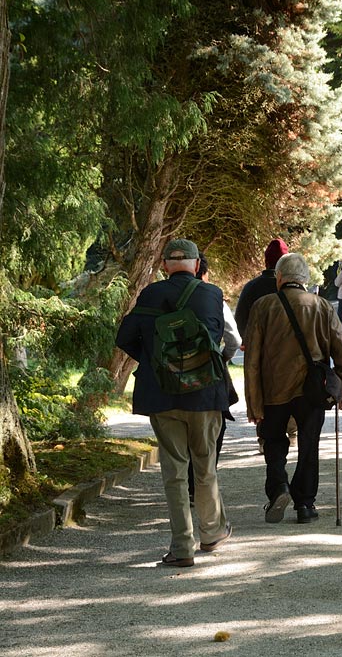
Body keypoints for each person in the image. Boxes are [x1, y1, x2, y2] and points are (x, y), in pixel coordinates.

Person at [114, 239, 232, 567]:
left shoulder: (150, 294)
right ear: (196, 265)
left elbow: (123, 338)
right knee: (205, 466)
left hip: (162, 395)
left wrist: (155, 363)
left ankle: (182, 548)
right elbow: (217, 338)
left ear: (164, 265)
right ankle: (211, 533)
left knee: (174, 471)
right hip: (205, 393)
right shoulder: (212, 294)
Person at [244, 252, 342, 524]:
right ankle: (305, 504)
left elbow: (252, 360)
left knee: (273, 442)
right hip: (312, 390)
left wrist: (253, 403)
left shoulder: (262, 306)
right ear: (305, 280)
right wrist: (339, 383)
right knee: (309, 444)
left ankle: (279, 488)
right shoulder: (322, 306)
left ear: (279, 278)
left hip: (273, 389)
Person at [186, 254, 241, 504]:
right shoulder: (213, 298)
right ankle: (202, 484)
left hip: (170, 374)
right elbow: (234, 340)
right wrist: (222, 358)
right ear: (201, 271)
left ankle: (186, 486)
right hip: (208, 373)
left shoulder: (161, 295)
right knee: (213, 428)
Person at [234, 238, 297, 452]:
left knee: (261, 391)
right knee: (291, 388)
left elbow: (241, 316)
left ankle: (263, 437)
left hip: (260, 350)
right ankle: (292, 432)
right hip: (290, 349)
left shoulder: (252, 287)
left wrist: (247, 340)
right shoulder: (296, 288)